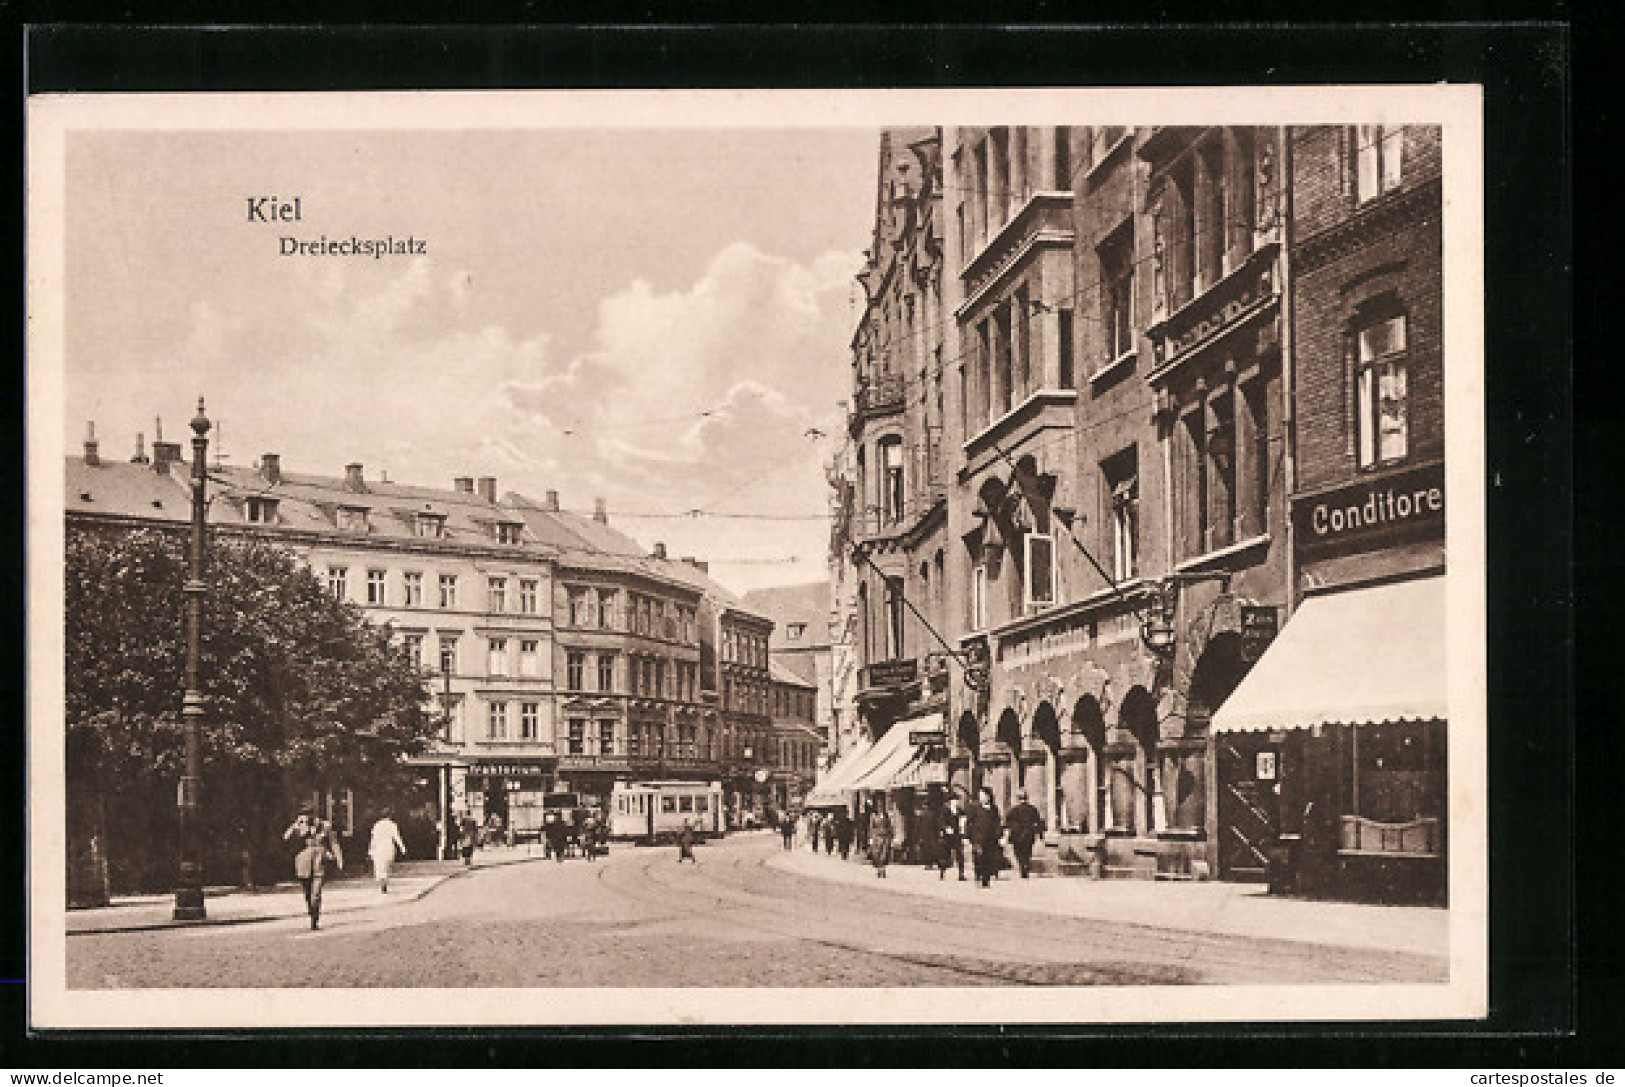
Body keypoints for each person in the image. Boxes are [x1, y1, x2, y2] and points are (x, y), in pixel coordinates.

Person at [283, 806, 343, 930]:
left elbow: (334, 843)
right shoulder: (300, 827)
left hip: (319, 861)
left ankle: (315, 918)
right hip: (303, 862)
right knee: (307, 892)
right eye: (302, 816)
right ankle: (312, 911)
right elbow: (286, 838)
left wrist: (339, 859)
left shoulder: (325, 826)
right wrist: (294, 825)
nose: (305, 818)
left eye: (307, 815)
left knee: (316, 892)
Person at [966, 787, 1003, 888]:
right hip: (978, 838)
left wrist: (999, 835)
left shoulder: (994, 809)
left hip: (990, 838)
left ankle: (986, 879)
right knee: (979, 858)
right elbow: (969, 823)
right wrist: (968, 836)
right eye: (980, 795)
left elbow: (997, 823)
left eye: (983, 795)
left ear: (988, 796)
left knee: (989, 859)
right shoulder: (974, 808)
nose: (981, 797)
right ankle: (978, 876)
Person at [1005, 789, 1045, 879]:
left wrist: (1008, 834)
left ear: (1018, 799)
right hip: (1029, 835)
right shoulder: (1032, 809)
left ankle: (1022, 865)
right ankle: (1025, 865)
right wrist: (1040, 835)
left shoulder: (1014, 810)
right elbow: (1038, 822)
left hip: (1017, 835)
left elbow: (1008, 823)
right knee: (1027, 852)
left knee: (1018, 852)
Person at [367, 810, 406, 894]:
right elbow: (396, 837)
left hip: (378, 847)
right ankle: (384, 882)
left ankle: (382, 882)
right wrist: (402, 848)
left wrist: (370, 849)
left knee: (379, 865)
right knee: (387, 865)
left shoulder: (377, 825)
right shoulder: (392, 825)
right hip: (388, 846)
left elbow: (373, 839)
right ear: (390, 816)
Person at [940, 795, 967, 881]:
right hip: (947, 836)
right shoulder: (945, 810)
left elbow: (963, 820)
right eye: (954, 801)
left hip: (957, 835)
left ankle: (961, 874)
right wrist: (946, 828)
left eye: (957, 801)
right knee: (945, 854)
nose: (956, 802)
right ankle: (942, 871)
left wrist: (963, 831)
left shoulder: (960, 811)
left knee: (960, 854)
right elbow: (941, 821)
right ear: (950, 801)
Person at [916, 799, 943, 873]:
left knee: (925, 849)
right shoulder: (933, 814)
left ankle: (928, 864)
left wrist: (918, 836)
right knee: (933, 849)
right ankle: (936, 863)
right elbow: (937, 825)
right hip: (932, 835)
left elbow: (918, 826)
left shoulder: (921, 815)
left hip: (924, 835)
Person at [868, 806, 894, 878]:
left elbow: (890, 827)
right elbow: (871, 828)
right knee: (877, 853)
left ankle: (882, 869)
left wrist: (891, 837)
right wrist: (870, 838)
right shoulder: (873, 816)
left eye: (881, 807)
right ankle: (879, 869)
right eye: (878, 806)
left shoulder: (886, 817)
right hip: (876, 837)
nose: (880, 808)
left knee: (884, 853)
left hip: (885, 836)